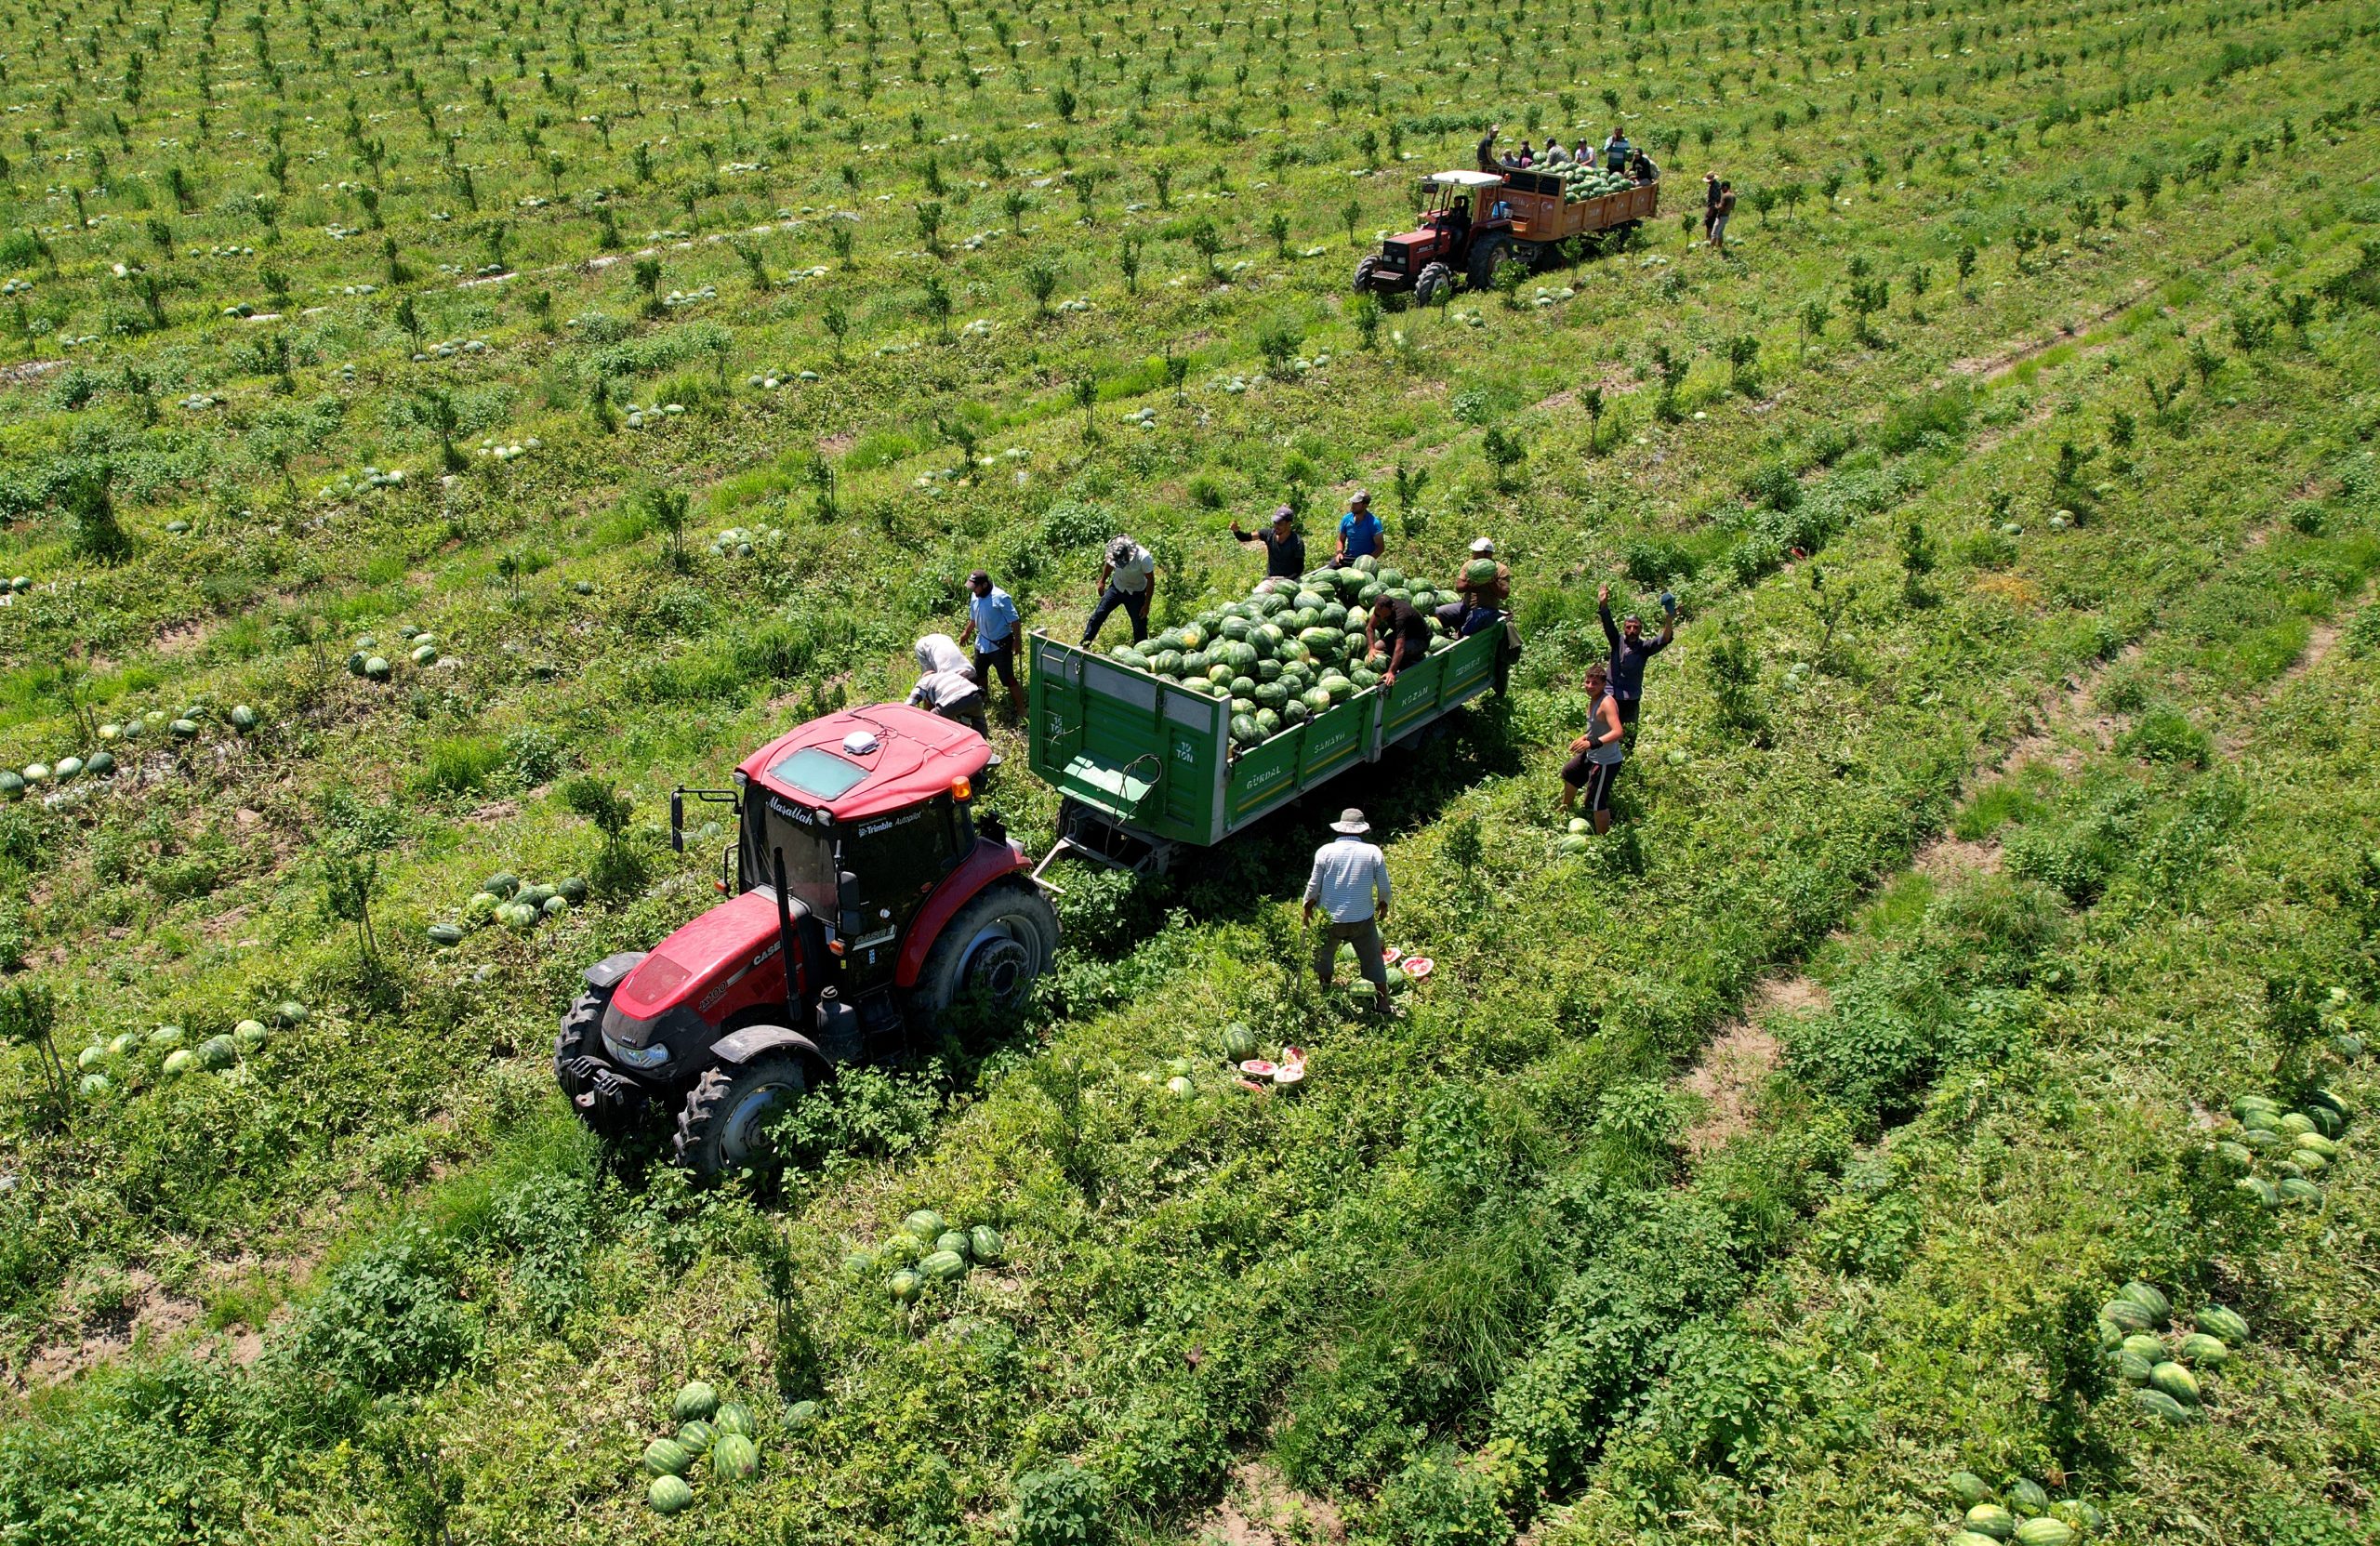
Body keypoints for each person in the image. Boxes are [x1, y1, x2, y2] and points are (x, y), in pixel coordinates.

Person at [1302, 808, 1393, 1014]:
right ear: (1363, 831)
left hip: (1330, 918)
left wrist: (1307, 908)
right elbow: (1384, 887)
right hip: (1362, 918)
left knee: (1324, 956)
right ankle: (1383, 1003)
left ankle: (1326, 994)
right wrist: (1383, 905)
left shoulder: (1325, 852)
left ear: (1340, 830)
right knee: (1373, 958)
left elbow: (1313, 886)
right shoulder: (1373, 852)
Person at [1598, 582, 1675, 733]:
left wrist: (1669, 620)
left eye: (1636, 627)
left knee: (1629, 733)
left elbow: (1664, 639)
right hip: (1611, 695)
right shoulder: (1617, 641)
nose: (1632, 630)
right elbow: (1608, 625)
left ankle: (1627, 756)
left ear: (1640, 629)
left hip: (1630, 698)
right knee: (1605, 732)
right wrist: (1603, 605)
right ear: (1624, 629)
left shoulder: (1644, 647)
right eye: (1628, 627)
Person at [1560, 663, 1627, 833]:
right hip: (1591, 754)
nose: (1590, 686)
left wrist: (1592, 743)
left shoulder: (1607, 703)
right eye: (1587, 682)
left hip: (1606, 762)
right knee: (1570, 773)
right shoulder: (1593, 700)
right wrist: (1583, 738)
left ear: (1604, 685)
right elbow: (1596, 728)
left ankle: (1602, 839)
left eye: (1595, 683)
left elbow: (1618, 732)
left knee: (1597, 803)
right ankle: (1565, 808)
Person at [960, 569, 1022, 720]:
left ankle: (1021, 708)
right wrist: (967, 632)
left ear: (985, 585)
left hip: (1000, 645)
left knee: (1008, 678)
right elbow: (973, 619)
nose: (973, 590)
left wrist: (1017, 641)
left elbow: (1015, 620)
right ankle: (984, 698)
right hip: (982, 643)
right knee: (979, 672)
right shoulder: (975, 597)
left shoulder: (1000, 597)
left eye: (975, 587)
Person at [908, 634, 989, 738]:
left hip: (952, 701)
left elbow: (909, 705)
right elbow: (966, 704)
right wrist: (963, 723)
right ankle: (983, 745)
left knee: (931, 722)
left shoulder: (924, 682)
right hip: (975, 698)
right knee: (979, 722)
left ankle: (939, 740)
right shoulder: (959, 677)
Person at [1082, 535, 1156, 647]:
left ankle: (1141, 652)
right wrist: (1102, 581)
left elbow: (1151, 581)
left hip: (1136, 592)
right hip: (1117, 587)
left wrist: (1147, 604)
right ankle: (1085, 643)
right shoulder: (1115, 554)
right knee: (1099, 614)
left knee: (1139, 625)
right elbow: (1109, 565)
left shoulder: (1144, 558)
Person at [1436, 536, 1509, 637]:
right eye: (1474, 552)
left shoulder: (1501, 569)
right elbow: (1459, 587)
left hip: (1487, 610)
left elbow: (1504, 594)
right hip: (1465, 606)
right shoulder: (1470, 565)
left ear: (1488, 554)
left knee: (1474, 618)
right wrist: (1469, 584)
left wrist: (1492, 582)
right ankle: (1442, 633)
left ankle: (1460, 637)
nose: (1474, 556)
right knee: (1440, 612)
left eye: (1477, 553)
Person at [1364, 592, 1434, 685]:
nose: (1383, 618)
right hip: (1403, 634)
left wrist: (1391, 672)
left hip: (1420, 639)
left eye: (1386, 616)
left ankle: (1405, 668)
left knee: (1402, 652)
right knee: (1376, 648)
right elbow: (1370, 627)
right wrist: (1371, 648)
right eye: (1380, 616)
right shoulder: (1381, 607)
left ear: (1392, 608)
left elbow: (1400, 648)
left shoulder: (1401, 616)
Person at [1231, 505, 1306, 581]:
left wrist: (1286, 580)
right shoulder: (1268, 534)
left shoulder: (1297, 542)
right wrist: (1236, 531)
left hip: (1291, 579)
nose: (1276, 526)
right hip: (1272, 579)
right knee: (1257, 593)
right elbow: (1244, 537)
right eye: (1275, 523)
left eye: (1280, 524)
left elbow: (1299, 569)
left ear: (1289, 524)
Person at [1334, 490, 1385, 565]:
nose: (1353, 505)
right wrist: (1339, 553)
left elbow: (1380, 548)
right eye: (1353, 502)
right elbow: (1341, 540)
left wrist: (1367, 562)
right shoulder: (1346, 519)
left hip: (1365, 560)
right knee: (1330, 569)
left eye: (1356, 503)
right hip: (1349, 557)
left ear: (1365, 505)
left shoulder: (1374, 523)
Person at [1712, 179, 1736, 250]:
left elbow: (1721, 207)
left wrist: (1716, 205)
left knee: (1714, 233)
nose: (1722, 190)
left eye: (1722, 188)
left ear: (1725, 187)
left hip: (1721, 216)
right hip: (1727, 216)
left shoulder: (1725, 196)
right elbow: (1732, 208)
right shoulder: (1733, 196)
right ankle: (1720, 247)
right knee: (1720, 233)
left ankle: (1711, 249)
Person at [1702, 171, 1723, 241]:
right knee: (1712, 223)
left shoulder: (1714, 186)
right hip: (1715, 207)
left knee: (1710, 223)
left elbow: (1714, 200)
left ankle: (1709, 239)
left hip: (1714, 208)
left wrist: (1710, 210)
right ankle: (1710, 238)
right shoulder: (1716, 184)